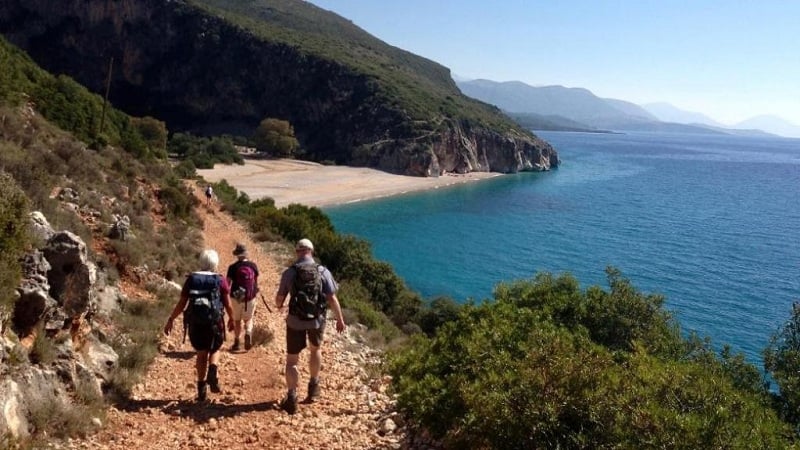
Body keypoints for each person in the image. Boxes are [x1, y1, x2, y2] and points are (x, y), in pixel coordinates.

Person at [274, 238, 346, 414]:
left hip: (295, 321)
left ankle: (292, 398)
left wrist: (279, 305)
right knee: (315, 350)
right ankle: (313, 387)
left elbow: (279, 299)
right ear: (311, 251)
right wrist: (340, 319)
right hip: (317, 320)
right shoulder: (322, 271)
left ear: (297, 252)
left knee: (292, 360)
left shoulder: (289, 273)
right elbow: (332, 298)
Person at [164, 249, 234, 402]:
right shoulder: (220, 280)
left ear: (201, 262)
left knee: (201, 354)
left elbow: (182, 303)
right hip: (214, 322)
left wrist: (171, 318)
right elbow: (228, 304)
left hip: (196, 323)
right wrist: (232, 319)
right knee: (215, 348)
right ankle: (213, 370)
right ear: (215, 264)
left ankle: (201, 389)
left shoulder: (192, 279)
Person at [226, 243, 260, 351]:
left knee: (237, 320)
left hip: (236, 297)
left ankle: (236, 343)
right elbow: (255, 283)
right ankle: (248, 332)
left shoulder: (232, 267)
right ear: (246, 254)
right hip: (249, 297)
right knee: (248, 319)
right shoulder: (253, 266)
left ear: (237, 255)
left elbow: (227, 284)